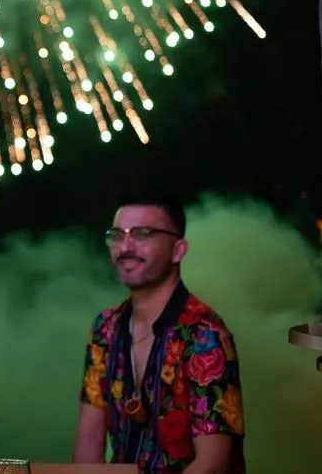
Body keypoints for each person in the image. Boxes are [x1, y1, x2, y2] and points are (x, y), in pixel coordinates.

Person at [72, 190, 245, 473]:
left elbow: (213, 464)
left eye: (143, 234)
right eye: (117, 235)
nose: (125, 246)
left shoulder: (204, 334)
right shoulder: (105, 328)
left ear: (179, 250)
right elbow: (89, 439)